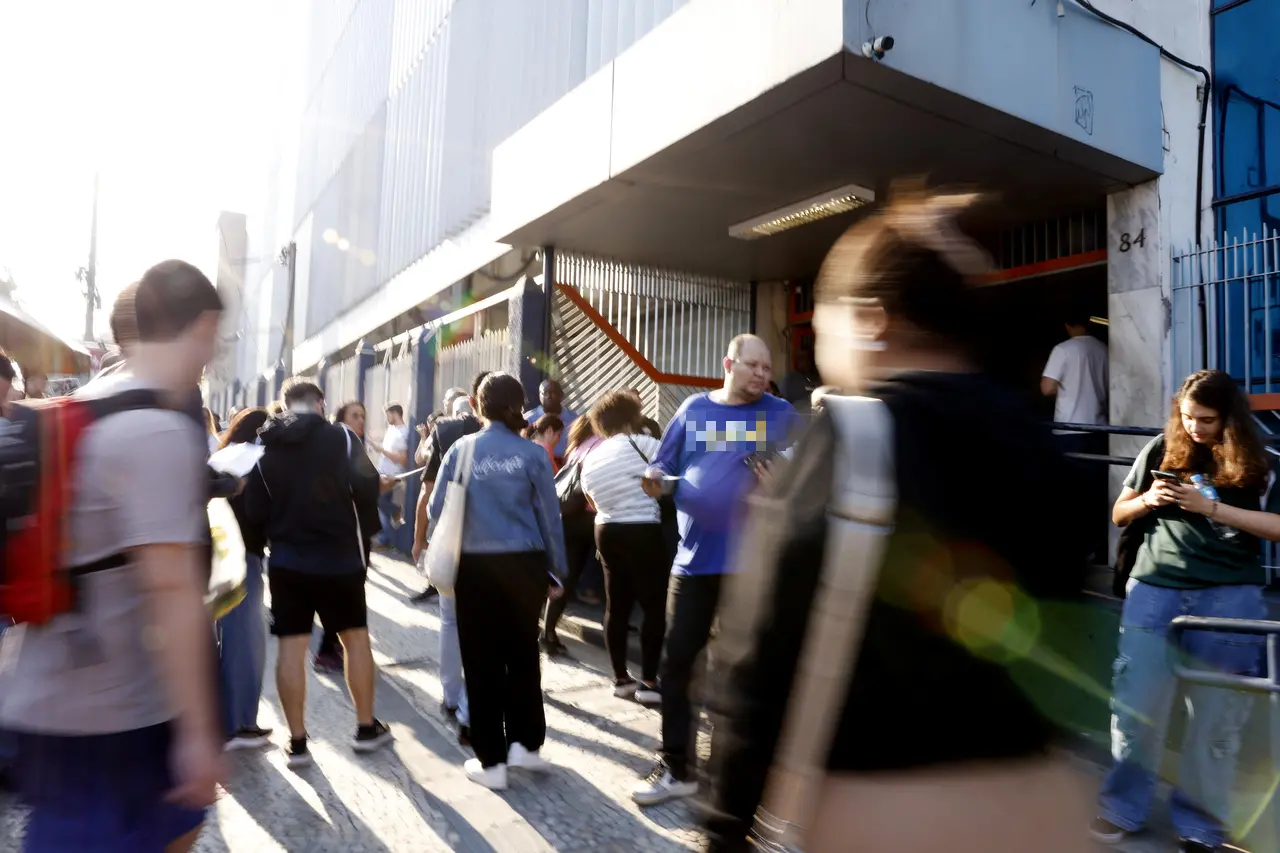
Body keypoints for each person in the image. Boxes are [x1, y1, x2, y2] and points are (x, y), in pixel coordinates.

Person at [703, 186, 1093, 853]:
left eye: (824, 323)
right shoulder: (1042, 447)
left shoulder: (846, 439)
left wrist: (726, 826)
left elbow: (754, 664)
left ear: (871, 320)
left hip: (878, 817)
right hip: (1043, 815)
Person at [0, 260, 227, 853]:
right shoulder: (156, 430)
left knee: (171, 830)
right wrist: (199, 731)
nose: (215, 351)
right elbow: (171, 589)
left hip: (60, 687)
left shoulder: (97, 397)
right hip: (109, 713)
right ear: (201, 325)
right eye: (215, 335)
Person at [1092, 369, 1278, 851]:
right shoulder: (1160, 447)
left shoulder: (1262, 458)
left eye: (1206, 419)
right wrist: (1148, 500)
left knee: (1217, 721)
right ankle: (1122, 807)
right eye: (1188, 416)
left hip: (1229, 597)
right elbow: (1119, 512)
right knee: (1136, 708)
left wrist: (1210, 507)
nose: (1194, 427)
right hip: (1155, 591)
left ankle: (1199, 825)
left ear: (1230, 418)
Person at [634, 334, 802, 806]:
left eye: (767, 368)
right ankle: (676, 767)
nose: (762, 375)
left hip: (752, 569)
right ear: (728, 364)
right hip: (693, 563)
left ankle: (732, 776)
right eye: (753, 366)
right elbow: (661, 465)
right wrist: (654, 480)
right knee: (677, 666)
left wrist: (786, 482)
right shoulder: (694, 411)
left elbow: (813, 477)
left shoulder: (781, 415)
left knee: (740, 674)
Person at [427, 372, 568, 791]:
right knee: (523, 653)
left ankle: (492, 763)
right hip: (526, 564)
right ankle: (526, 745)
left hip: (476, 567)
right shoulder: (533, 454)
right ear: (520, 405)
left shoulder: (461, 450)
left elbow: (437, 508)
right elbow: (550, 517)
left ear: (477, 405)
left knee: (482, 661)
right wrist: (556, 569)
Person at [245, 378, 391, 769]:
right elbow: (367, 487)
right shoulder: (342, 438)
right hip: (340, 559)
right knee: (355, 641)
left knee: (291, 649)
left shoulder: (264, 445)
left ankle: (297, 742)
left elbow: (255, 509)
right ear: (321, 403)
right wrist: (362, 530)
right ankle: (365, 728)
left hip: (288, 561)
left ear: (284, 405)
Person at [411, 374, 488, 744]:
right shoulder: (519, 447)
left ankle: (452, 697)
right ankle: (472, 710)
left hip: (452, 545)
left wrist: (423, 538)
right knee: (481, 631)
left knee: (450, 622)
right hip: (493, 554)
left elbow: (432, 500)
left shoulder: (447, 438)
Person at [580, 390, 669, 705]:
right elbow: (668, 482)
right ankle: (649, 682)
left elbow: (590, 499)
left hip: (606, 530)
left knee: (616, 607)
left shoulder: (592, 456)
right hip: (643, 529)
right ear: (632, 417)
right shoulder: (645, 444)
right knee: (653, 607)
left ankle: (620, 679)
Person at [216, 408, 274, 752]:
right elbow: (256, 511)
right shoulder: (255, 460)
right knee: (246, 644)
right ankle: (237, 724)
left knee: (228, 641)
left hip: (217, 557)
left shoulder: (223, 455)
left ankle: (228, 720)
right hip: (243, 558)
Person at [410, 372, 489, 604]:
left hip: (450, 522)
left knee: (451, 609)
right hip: (493, 543)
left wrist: (419, 538)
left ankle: (437, 587)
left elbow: (428, 494)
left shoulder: (446, 432)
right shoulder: (516, 440)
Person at [311, 400, 371, 674]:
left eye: (362, 416)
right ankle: (329, 649)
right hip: (346, 533)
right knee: (345, 593)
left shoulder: (347, 445)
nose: (360, 421)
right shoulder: (343, 442)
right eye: (354, 416)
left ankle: (333, 645)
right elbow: (362, 486)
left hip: (345, 531)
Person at [541, 412, 603, 654]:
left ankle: (547, 632)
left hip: (567, 518)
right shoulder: (601, 444)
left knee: (562, 579)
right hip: (587, 518)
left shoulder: (576, 448)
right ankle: (548, 634)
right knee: (571, 579)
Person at [369, 403, 410, 549]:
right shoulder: (392, 430)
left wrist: (381, 450)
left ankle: (387, 538)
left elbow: (403, 459)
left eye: (387, 415)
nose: (386, 418)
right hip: (384, 473)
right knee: (384, 506)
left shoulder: (404, 432)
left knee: (383, 505)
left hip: (394, 476)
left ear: (395, 413)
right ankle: (388, 538)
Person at [524, 378, 578, 461]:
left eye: (552, 392)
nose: (548, 396)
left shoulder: (574, 419)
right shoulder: (528, 420)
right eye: (544, 393)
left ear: (561, 395)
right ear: (539, 396)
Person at [778, 344, 820, 413]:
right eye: (801, 358)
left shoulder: (819, 379)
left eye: (808, 358)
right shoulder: (789, 380)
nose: (805, 361)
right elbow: (781, 405)